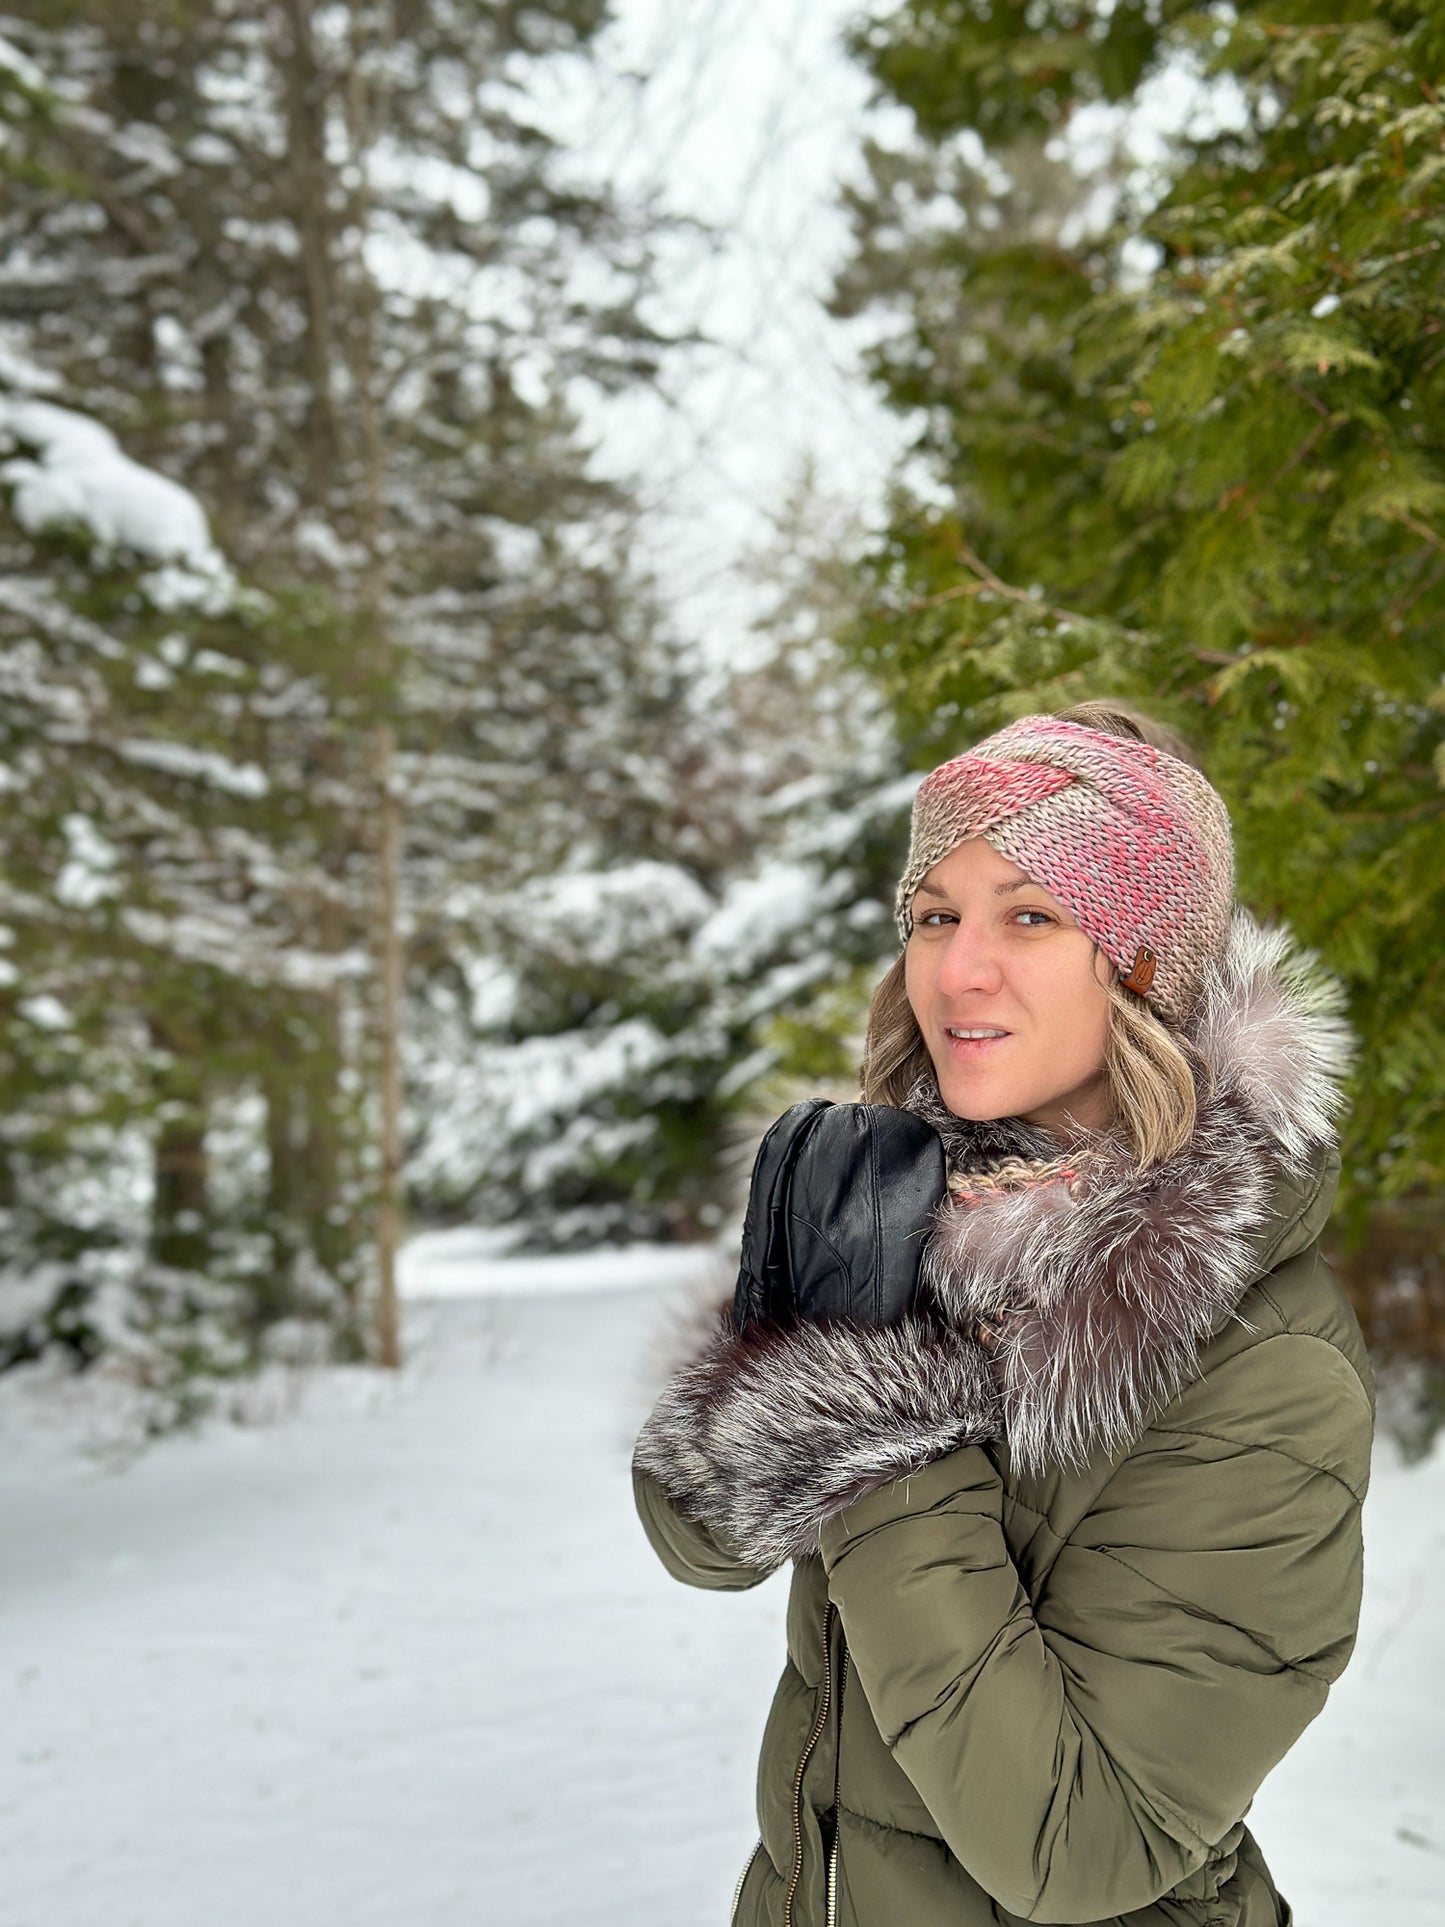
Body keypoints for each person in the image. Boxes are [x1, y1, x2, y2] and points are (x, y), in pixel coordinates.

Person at [630, 704, 1374, 1927]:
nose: (957, 968)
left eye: (1029, 913)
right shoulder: (912, 1214)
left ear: (1145, 963)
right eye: (935, 916)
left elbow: (1081, 1843)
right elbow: (694, 1537)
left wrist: (874, 1422)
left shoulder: (1265, 1373)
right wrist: (781, 1328)